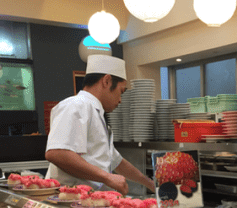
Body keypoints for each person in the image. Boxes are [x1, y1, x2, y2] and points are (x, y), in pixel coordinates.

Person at [45, 55, 155, 195]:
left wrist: (150, 184)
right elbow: (57, 153)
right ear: (107, 81)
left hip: (88, 201)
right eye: (120, 92)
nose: (120, 100)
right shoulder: (76, 105)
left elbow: (116, 162)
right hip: (68, 200)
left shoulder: (97, 115)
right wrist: (107, 178)